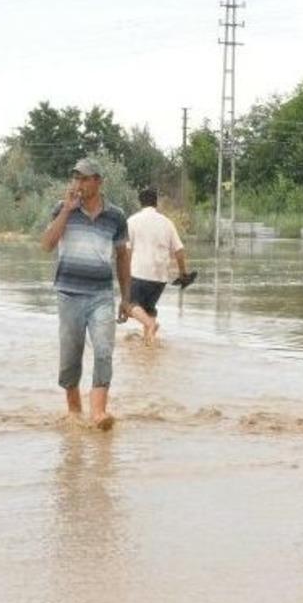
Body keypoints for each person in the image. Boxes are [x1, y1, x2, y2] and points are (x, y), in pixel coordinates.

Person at [40, 157, 132, 429]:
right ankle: (74, 411)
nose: (78, 183)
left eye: (84, 178)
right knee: (71, 356)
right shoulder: (62, 209)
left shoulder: (116, 216)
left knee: (104, 350)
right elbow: (47, 244)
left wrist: (126, 298)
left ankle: (99, 412)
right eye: (76, 178)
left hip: (101, 296)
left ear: (98, 181)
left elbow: (122, 257)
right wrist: (67, 211)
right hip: (69, 294)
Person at [126, 186, 192, 345]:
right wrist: (183, 274)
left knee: (129, 306)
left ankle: (150, 325)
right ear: (156, 203)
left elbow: (126, 251)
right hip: (160, 277)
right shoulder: (167, 223)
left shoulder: (132, 221)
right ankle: (149, 344)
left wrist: (125, 274)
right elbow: (179, 251)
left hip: (139, 273)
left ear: (140, 202)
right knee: (149, 309)